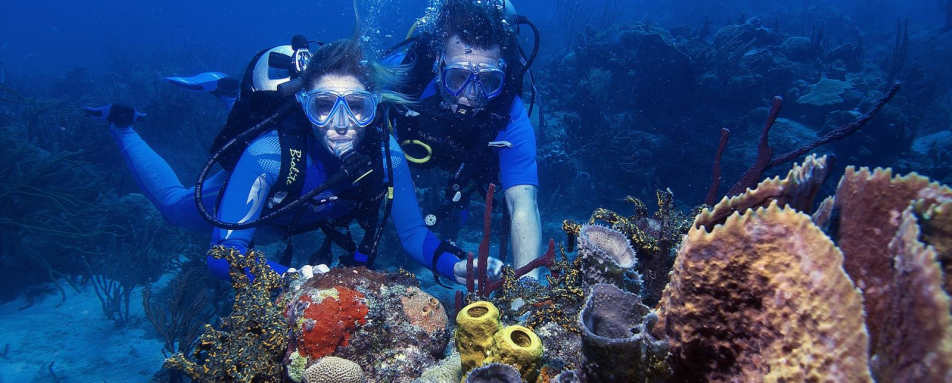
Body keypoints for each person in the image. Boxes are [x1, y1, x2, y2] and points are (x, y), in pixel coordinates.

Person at [86, 39, 502, 285]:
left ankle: (226, 89)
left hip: (296, 216)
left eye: (356, 107)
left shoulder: (387, 156)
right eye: (324, 107)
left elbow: (413, 237)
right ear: (305, 107)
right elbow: (222, 255)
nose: (341, 125)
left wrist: (459, 263)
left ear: (374, 109)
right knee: (176, 208)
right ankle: (122, 125)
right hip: (262, 215)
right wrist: (291, 282)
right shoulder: (266, 156)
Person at [385, 0, 543, 279]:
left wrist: (528, 290)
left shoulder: (510, 116)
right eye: (458, 77)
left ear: (503, 75)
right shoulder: (400, 78)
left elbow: (523, 204)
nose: (470, 95)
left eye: (488, 81)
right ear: (438, 64)